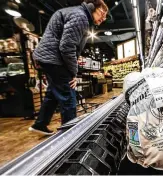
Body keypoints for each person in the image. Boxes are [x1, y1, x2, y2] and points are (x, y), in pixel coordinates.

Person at [29, 0, 108, 135]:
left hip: (49, 58)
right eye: (102, 13)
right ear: (92, 8)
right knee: (68, 96)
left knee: (53, 93)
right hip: (54, 59)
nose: (104, 18)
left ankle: (40, 124)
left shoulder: (78, 14)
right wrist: (73, 73)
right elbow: (66, 47)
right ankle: (69, 136)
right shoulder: (81, 17)